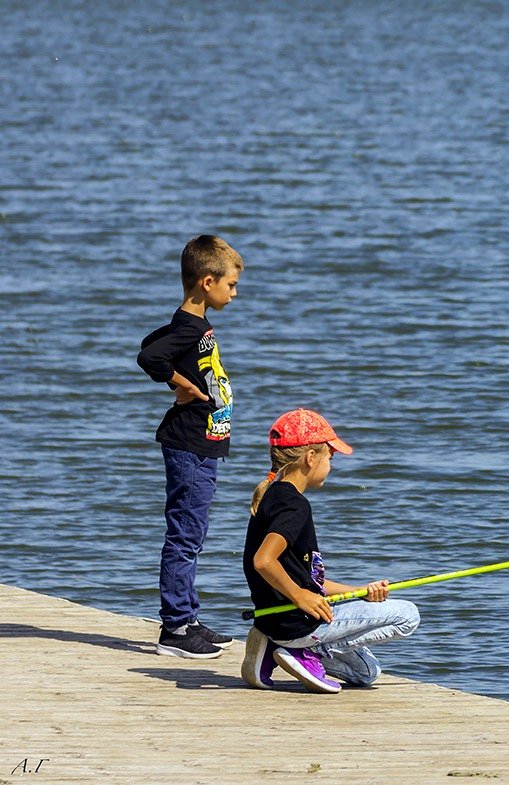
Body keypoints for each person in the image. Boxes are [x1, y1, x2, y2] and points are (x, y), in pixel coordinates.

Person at [241, 408, 420, 693]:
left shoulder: (272, 496)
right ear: (310, 458)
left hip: (277, 619)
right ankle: (304, 651)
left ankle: (274, 643)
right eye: (330, 457)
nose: (331, 465)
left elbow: (309, 581)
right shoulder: (294, 506)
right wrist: (299, 596)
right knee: (408, 615)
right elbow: (263, 561)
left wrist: (360, 591)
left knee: (366, 673)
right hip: (299, 623)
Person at [136, 235, 242, 658]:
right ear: (207, 282)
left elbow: (149, 344)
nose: (234, 293)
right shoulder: (189, 328)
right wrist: (181, 385)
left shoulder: (191, 326)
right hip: (190, 446)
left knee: (193, 534)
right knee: (185, 535)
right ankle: (176, 629)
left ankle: (188, 617)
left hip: (203, 446)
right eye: (231, 285)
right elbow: (149, 359)